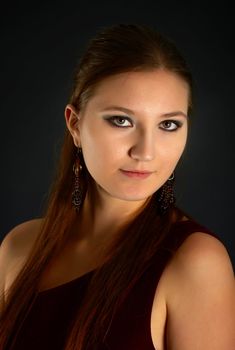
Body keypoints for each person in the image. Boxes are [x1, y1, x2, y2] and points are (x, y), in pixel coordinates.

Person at [0, 23, 234, 350]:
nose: (145, 151)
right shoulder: (18, 249)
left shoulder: (194, 262)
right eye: (121, 120)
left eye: (168, 125)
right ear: (75, 124)